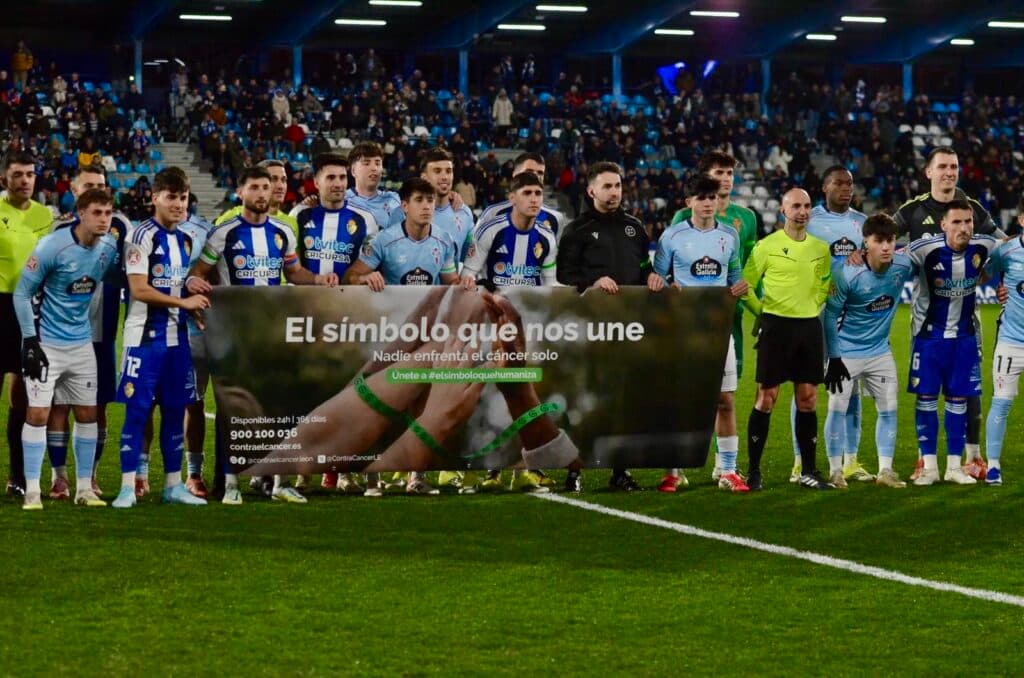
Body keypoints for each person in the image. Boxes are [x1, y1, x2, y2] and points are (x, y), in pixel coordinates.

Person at [187, 166, 339, 505]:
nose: (261, 193)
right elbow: (200, 273)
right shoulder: (223, 232)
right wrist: (192, 284)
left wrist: (319, 281)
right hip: (233, 335)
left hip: (271, 331)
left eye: (266, 187)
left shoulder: (282, 233)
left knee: (277, 406)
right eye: (254, 187)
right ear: (240, 192)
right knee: (234, 409)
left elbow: (294, 271)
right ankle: (230, 485)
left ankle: (279, 483)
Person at [894, 147, 1004, 481]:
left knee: (969, 388)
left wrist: (1000, 278)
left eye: (954, 167)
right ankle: (924, 460)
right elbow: (887, 240)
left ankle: (972, 456)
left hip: (967, 319)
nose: (949, 172)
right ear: (929, 172)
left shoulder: (974, 209)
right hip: (926, 317)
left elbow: (1004, 245)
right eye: (942, 166)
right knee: (926, 387)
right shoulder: (912, 210)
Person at [556, 161, 665, 492]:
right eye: (607, 186)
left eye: (617, 185)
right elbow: (564, 275)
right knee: (585, 399)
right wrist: (593, 280)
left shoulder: (634, 227)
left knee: (624, 398)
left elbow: (644, 266)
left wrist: (651, 277)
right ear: (591, 191)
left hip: (629, 326)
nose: (614, 191)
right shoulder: (576, 229)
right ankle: (574, 471)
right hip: (590, 325)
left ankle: (620, 471)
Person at [345, 177, 458, 496]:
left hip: (425, 335)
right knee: (380, 404)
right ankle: (372, 477)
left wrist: (462, 285)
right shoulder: (383, 241)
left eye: (431, 200)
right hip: (387, 333)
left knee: (421, 405)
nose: (427, 206)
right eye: (420, 200)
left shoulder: (445, 240)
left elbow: (449, 279)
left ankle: (415, 477)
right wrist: (367, 277)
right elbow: (352, 276)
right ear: (405, 206)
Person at [13, 188, 119, 509]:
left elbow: (116, 276)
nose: (104, 219)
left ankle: (84, 489)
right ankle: (32, 490)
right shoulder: (52, 247)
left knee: (89, 415)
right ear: (80, 214)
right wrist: (30, 341)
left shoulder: (109, 247)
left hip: (82, 343)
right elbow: (21, 293)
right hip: (47, 345)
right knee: (38, 413)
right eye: (97, 213)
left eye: (108, 213)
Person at [112, 169, 211, 508]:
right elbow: (139, 289)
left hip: (177, 338)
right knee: (137, 411)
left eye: (183, 198)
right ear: (155, 198)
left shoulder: (184, 239)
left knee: (174, 409)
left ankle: (172, 486)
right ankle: (127, 486)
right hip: (144, 338)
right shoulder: (141, 236)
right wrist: (183, 302)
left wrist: (190, 303)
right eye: (171, 197)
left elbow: (173, 283)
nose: (178, 204)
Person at [459, 171, 558, 494]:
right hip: (490, 324)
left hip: (528, 326)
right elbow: (468, 277)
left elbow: (550, 286)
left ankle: (525, 470)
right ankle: (485, 471)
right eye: (527, 193)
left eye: (538, 193)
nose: (534, 199)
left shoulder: (546, 237)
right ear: (512, 197)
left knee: (525, 395)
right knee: (488, 395)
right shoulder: (492, 230)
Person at [653, 175, 751, 493]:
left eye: (712, 197)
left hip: (718, 329)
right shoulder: (672, 236)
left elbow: (734, 275)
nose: (708, 202)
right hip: (683, 329)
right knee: (678, 400)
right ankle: (673, 471)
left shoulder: (730, 236)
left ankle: (728, 470)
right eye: (702, 197)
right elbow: (658, 278)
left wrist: (738, 286)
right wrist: (667, 286)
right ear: (689, 202)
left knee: (724, 400)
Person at [289, 152, 378, 494]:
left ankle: (341, 470)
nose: (339, 184)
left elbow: (367, 266)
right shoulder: (301, 215)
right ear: (317, 182)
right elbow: (290, 268)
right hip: (307, 316)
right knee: (307, 396)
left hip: (349, 318)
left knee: (348, 396)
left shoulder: (363, 221)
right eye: (331, 178)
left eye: (343, 178)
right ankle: (302, 469)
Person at [46, 165, 130, 500]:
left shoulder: (121, 226)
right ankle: (59, 477)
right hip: (60, 333)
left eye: (102, 185)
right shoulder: (58, 228)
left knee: (97, 406)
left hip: (103, 332)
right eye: (89, 186)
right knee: (58, 406)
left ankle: (91, 476)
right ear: (75, 191)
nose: (97, 189)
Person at [742, 188, 833, 491]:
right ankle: (753, 471)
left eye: (807, 206)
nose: (802, 211)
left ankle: (809, 470)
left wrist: (815, 303)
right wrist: (763, 313)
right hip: (776, 327)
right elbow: (745, 287)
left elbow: (824, 283)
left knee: (807, 399)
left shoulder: (821, 248)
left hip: (808, 328)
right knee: (766, 398)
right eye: (796, 206)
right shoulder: (766, 247)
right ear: (783, 210)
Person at [822, 214, 916, 489]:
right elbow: (830, 316)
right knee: (837, 409)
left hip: (879, 352)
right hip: (846, 352)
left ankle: (885, 471)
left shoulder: (903, 263)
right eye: (879, 241)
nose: (886, 247)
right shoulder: (846, 273)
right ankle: (835, 471)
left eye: (890, 240)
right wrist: (835, 358)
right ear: (866, 242)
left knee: (889, 410)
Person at [798, 166, 870, 484]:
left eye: (850, 184)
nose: (846, 189)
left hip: (852, 314)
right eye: (840, 183)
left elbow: (872, 262)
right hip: (815, 310)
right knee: (807, 385)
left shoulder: (861, 222)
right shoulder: (809, 218)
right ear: (825, 186)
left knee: (851, 387)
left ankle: (851, 460)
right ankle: (801, 461)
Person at [0, 151, 54, 497]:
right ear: (4, 178)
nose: (24, 180)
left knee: (22, 392)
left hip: (28, 310)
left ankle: (17, 476)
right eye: (18, 174)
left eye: (30, 174)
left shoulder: (44, 214)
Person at [983, 230, 1024, 485]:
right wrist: (1000, 287)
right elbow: (985, 272)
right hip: (1011, 341)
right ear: (1021, 219)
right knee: (1001, 402)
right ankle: (993, 466)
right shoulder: (1006, 251)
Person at [477, 152, 566, 239]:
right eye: (529, 171)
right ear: (515, 175)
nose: (535, 176)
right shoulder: (492, 214)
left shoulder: (555, 218)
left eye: (540, 173)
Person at [215, 159, 300, 238]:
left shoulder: (291, 224)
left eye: (283, 180)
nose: (281, 186)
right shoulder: (229, 219)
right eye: (273, 179)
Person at [421, 148, 474, 265]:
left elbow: (469, 258)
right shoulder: (407, 212)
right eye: (437, 171)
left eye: (448, 171)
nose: (444, 177)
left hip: (451, 282)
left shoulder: (464, 213)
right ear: (424, 177)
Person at [345, 142, 403, 230]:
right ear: (353, 171)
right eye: (366, 163)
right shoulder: (342, 201)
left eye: (377, 163)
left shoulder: (393, 200)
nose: (374, 168)